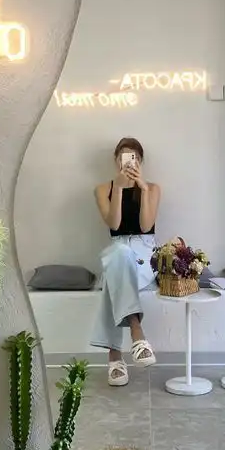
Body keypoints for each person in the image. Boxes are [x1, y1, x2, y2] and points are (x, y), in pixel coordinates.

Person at [90, 137, 161, 386]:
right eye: (124, 158)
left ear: (140, 161)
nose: (129, 162)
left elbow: (145, 226)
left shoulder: (152, 188)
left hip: (144, 253)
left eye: (134, 158)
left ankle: (115, 358)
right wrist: (119, 188)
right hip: (118, 248)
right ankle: (137, 333)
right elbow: (114, 225)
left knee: (113, 275)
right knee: (119, 254)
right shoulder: (102, 189)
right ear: (116, 160)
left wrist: (141, 188)